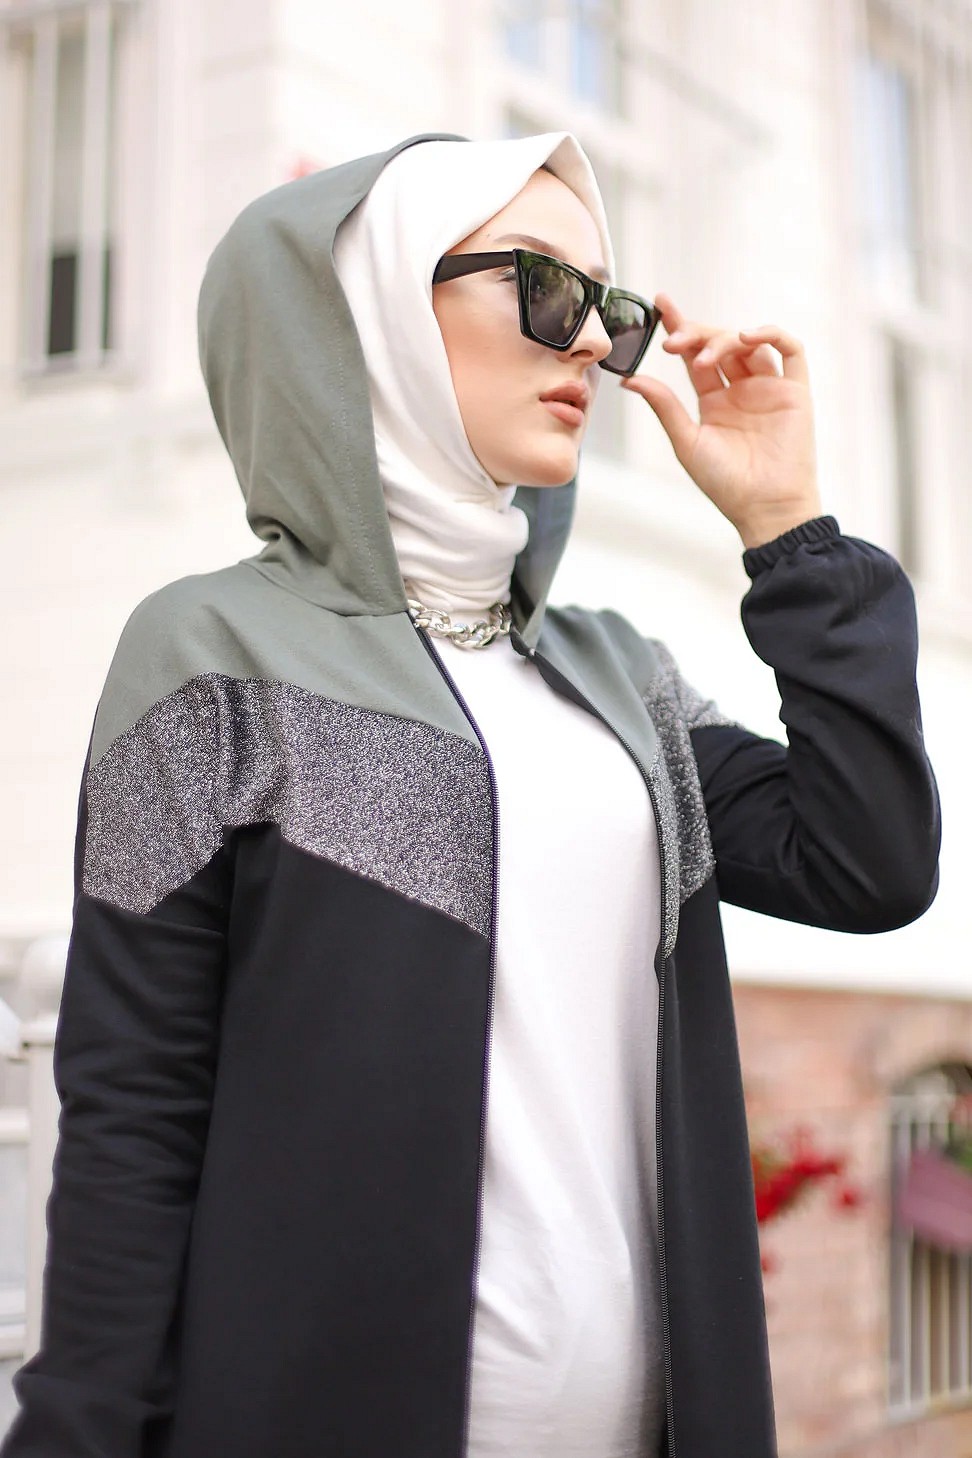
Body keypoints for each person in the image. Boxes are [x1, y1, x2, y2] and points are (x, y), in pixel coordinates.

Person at [1, 130, 940, 1458]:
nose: (592, 346)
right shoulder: (212, 655)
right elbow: (134, 1113)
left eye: (612, 309)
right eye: (545, 288)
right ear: (374, 305)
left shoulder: (622, 681)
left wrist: (786, 528)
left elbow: (869, 862)